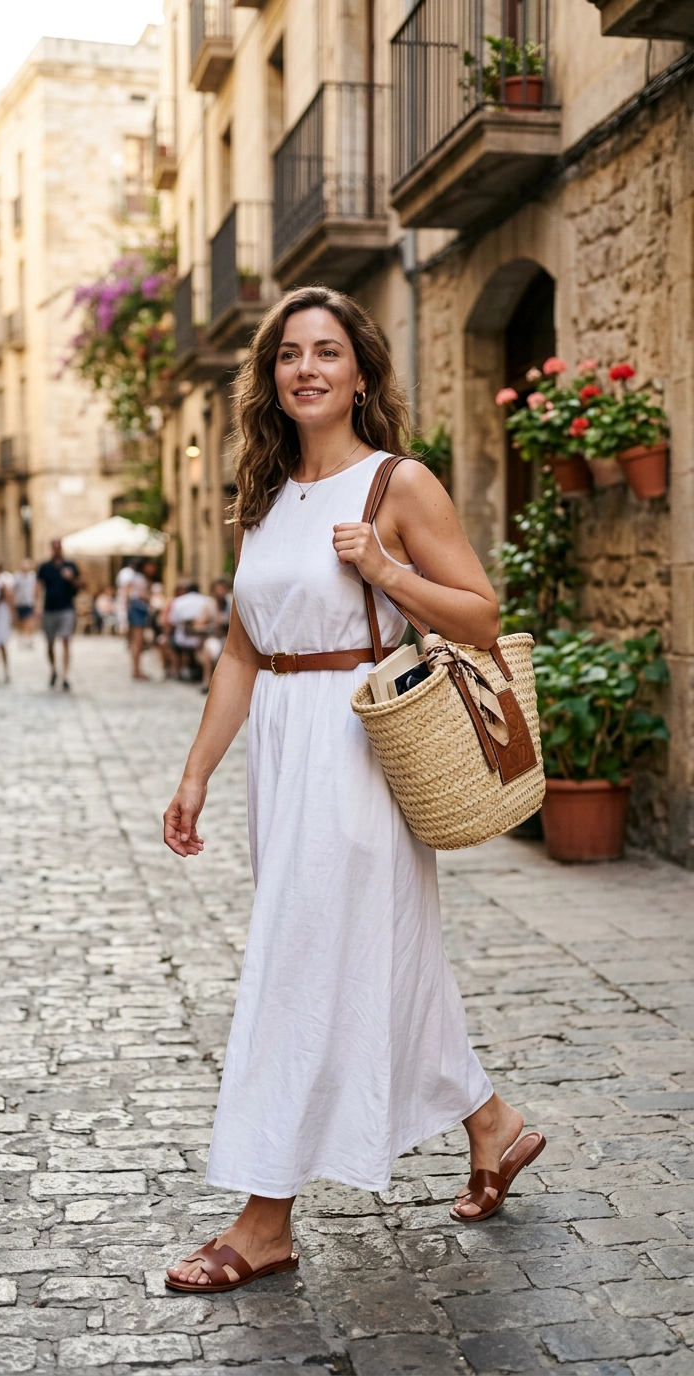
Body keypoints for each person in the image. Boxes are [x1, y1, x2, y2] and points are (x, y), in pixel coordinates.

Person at [163, 286, 543, 1295]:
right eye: (289, 353)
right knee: (378, 955)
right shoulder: (268, 491)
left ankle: (264, 1215)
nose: (307, 367)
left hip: (358, 749)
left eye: (328, 350)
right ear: (272, 377)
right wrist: (198, 771)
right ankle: (492, 1123)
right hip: (283, 750)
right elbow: (245, 649)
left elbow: (476, 612)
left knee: (300, 962)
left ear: (361, 372)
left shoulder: (398, 483)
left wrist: (384, 567)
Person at [37, 538, 81, 690]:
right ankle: (54, 670)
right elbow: (39, 587)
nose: (57, 550)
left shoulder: (70, 565)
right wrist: (37, 607)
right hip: (49, 609)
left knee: (66, 640)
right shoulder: (45, 567)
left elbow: (79, 585)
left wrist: (71, 578)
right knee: (49, 644)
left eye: (58, 547)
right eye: (54, 547)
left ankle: (65, 675)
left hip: (66, 608)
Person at [164, 580, 213, 681]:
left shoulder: (179, 601)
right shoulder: (207, 600)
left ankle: (176, 670)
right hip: (200, 638)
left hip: (183, 639)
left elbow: (172, 620)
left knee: (170, 641)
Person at [197, 577, 232, 693]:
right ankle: (206, 681)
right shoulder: (209, 606)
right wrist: (212, 626)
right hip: (214, 637)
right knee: (209, 650)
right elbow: (198, 624)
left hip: (228, 638)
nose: (221, 592)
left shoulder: (230, 604)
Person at [13, 558, 37, 645]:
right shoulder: (17, 576)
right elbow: (13, 589)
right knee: (20, 621)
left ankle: (29, 638)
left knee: (29, 620)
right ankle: (20, 637)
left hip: (29, 601)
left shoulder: (33, 576)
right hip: (19, 602)